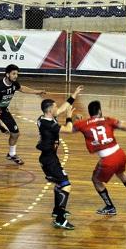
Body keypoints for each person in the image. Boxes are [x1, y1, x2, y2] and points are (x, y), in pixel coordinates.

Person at [72, 101, 126, 216]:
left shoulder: (83, 123)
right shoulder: (107, 120)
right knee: (121, 173)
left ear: (90, 113)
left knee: (96, 180)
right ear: (99, 111)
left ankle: (110, 207)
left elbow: (70, 129)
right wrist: (119, 122)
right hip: (120, 154)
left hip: (108, 159)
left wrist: (76, 120)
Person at [37, 85, 84, 230]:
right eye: (55, 107)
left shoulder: (44, 118)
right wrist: (70, 116)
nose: (58, 108)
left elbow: (63, 107)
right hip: (49, 160)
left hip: (50, 158)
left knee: (60, 184)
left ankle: (57, 211)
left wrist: (74, 94)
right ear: (50, 110)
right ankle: (60, 218)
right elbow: (69, 130)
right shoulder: (48, 123)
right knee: (66, 185)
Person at [0, 64, 45, 165]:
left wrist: (36, 92)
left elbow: (22, 88)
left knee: (15, 133)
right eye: (13, 74)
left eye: (17, 74)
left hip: (3, 111)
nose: (16, 76)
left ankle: (11, 154)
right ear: (7, 74)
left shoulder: (14, 84)